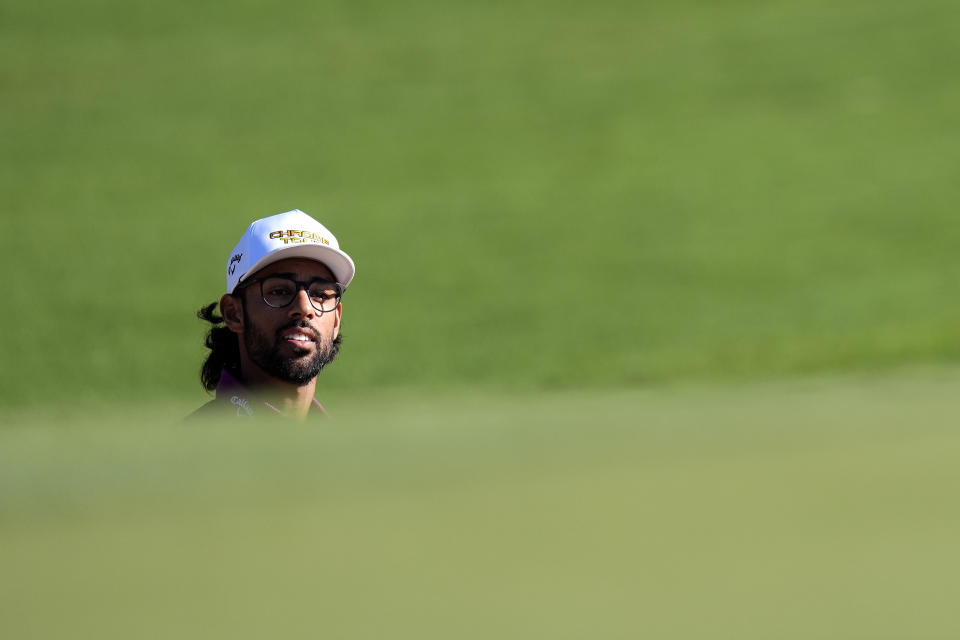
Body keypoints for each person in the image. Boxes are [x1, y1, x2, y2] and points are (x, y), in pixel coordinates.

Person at [190, 209, 355, 420]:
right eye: (279, 291)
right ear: (234, 314)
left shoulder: (347, 447)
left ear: (336, 321)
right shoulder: (194, 446)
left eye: (320, 294)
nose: (305, 308)